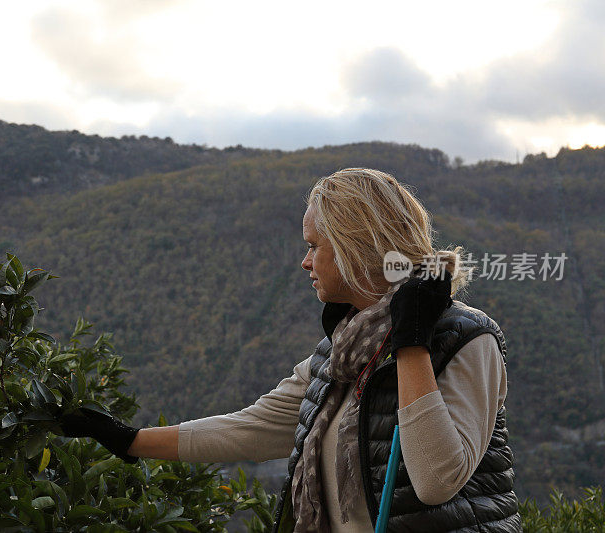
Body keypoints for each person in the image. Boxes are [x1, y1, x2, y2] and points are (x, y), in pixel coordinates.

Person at [58, 168, 521, 532]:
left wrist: (411, 343)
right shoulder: (340, 354)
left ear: (353, 249)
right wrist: (129, 440)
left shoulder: (467, 339)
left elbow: (437, 480)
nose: (304, 262)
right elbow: (253, 427)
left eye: (314, 246)